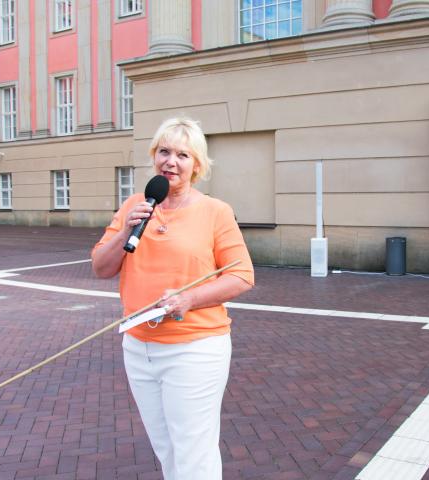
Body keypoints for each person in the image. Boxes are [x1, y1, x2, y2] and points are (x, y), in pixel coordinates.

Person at [91, 117, 254, 479]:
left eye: (183, 154)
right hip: (138, 346)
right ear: (154, 156)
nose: (171, 161)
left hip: (195, 348)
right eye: (164, 151)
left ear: (197, 164)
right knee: (166, 447)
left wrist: (189, 299)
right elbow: (102, 267)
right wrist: (125, 230)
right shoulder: (135, 205)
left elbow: (242, 276)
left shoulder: (215, 211)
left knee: (193, 451)